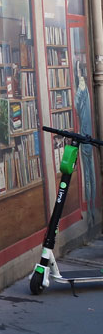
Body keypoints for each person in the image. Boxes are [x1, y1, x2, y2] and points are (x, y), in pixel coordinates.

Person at [74, 61, 96, 222]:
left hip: (85, 137)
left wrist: (77, 74)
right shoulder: (88, 90)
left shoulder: (82, 88)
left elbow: (75, 106)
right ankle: (93, 207)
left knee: (88, 175)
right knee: (91, 173)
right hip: (90, 136)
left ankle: (90, 209)